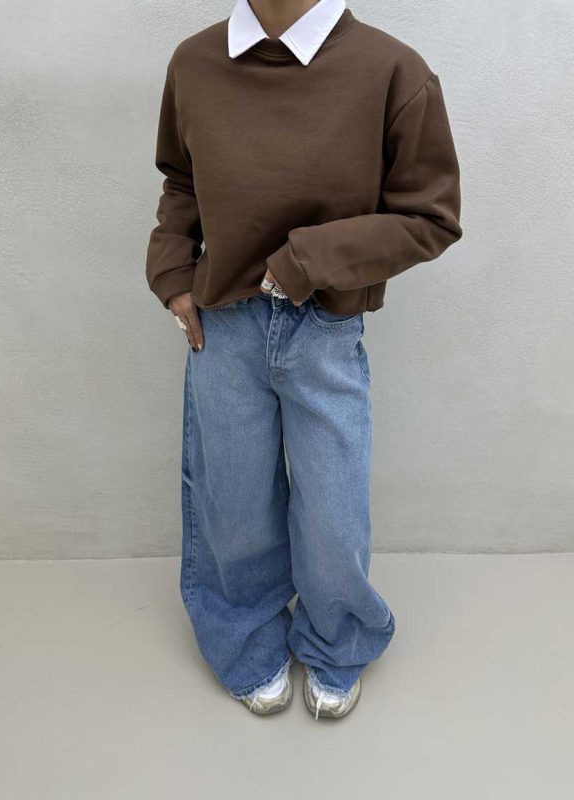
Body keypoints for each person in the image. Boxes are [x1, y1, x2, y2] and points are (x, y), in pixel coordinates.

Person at [145, 0, 462, 720]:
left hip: (325, 327)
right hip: (222, 326)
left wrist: (308, 259)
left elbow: (432, 217)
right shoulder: (195, 63)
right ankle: (244, 638)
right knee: (231, 503)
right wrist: (171, 272)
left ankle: (338, 637)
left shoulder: (392, 70)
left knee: (332, 509)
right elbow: (181, 183)